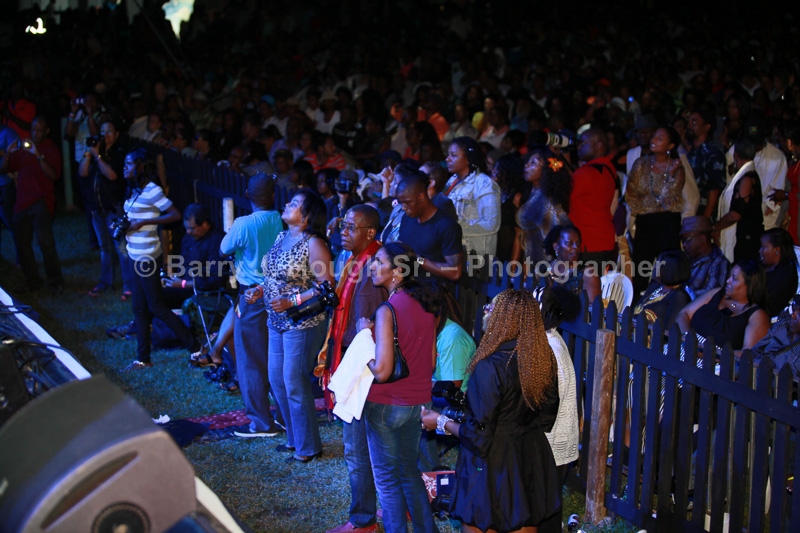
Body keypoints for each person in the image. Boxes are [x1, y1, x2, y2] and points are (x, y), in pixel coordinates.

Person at [421, 289, 561, 533]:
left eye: (492, 307)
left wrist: (441, 422)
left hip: (491, 467)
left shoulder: (490, 365)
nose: (485, 310)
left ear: (505, 318)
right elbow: (548, 416)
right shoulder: (541, 358)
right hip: (530, 458)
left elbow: (478, 436)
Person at [356, 242, 439, 533]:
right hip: (417, 403)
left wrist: (362, 343)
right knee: (410, 473)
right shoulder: (426, 305)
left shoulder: (387, 309)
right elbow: (431, 362)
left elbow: (381, 371)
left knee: (388, 482)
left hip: (386, 405)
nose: (372, 266)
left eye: (379, 262)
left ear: (398, 271)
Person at [248, 189, 334, 462]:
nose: (287, 204)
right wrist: (260, 290)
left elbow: (327, 285)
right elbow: (274, 276)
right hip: (276, 321)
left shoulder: (313, 243)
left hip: (302, 322)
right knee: (277, 380)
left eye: (294, 203)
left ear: (306, 217)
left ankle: (308, 448)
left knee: (294, 382)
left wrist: (292, 300)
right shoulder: (281, 237)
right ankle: (294, 439)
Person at [317, 205, 387, 533]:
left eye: (350, 227)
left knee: (357, 450)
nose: (342, 232)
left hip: (364, 367)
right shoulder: (357, 261)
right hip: (361, 361)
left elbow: (366, 331)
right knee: (378, 447)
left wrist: (344, 362)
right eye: (342, 226)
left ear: (370, 233)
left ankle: (363, 521)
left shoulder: (372, 269)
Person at [119, 148, 195, 371]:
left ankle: (195, 346)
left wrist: (144, 223)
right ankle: (143, 359)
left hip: (147, 256)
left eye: (129, 164)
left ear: (140, 166)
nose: (124, 168)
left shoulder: (152, 190)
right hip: (134, 253)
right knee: (139, 307)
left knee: (157, 306)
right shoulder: (133, 188)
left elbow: (175, 214)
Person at [221, 174, 285, 423]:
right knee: (277, 357)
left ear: (247, 195)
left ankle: (260, 421)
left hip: (252, 296)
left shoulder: (243, 223)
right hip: (280, 294)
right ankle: (283, 417)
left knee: (251, 359)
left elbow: (223, 249)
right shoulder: (283, 219)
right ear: (273, 195)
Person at [0, 116, 64, 293]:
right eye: (33, 129)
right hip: (22, 202)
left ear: (47, 131)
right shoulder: (23, 150)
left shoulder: (50, 149)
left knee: (45, 243)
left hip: (41, 201)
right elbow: (3, 169)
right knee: (22, 243)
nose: (35, 133)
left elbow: (53, 175)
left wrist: (38, 155)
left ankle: (55, 281)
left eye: (39, 130)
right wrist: (8, 154)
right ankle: (32, 281)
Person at [538, 286, 581, 533]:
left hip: (551, 443)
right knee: (548, 502)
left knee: (543, 506)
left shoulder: (547, 347)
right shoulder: (552, 339)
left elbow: (547, 402)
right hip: (556, 441)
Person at [626, 126, 685, 295]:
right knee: (641, 266)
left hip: (667, 223)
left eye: (660, 138)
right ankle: (638, 301)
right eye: (654, 137)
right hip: (645, 222)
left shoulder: (676, 167)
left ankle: (668, 300)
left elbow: (668, 197)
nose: (653, 140)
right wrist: (648, 208)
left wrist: (670, 173)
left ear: (670, 146)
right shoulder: (641, 163)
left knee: (667, 267)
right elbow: (631, 193)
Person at [79, 120, 129, 297]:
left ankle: (128, 286)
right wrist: (89, 154)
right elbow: (83, 173)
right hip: (97, 209)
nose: (105, 135)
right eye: (103, 131)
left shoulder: (119, 153)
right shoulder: (95, 152)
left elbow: (113, 175)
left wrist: (98, 156)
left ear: (116, 135)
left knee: (121, 247)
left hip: (113, 208)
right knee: (104, 248)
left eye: (109, 131)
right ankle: (105, 283)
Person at [676, 260, 770, 352]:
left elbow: (748, 353)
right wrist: (688, 338)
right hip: (684, 347)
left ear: (749, 285)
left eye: (734, 278)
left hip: (712, 360)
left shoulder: (757, 316)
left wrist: (709, 353)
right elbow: (684, 314)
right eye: (729, 276)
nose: (728, 281)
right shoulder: (717, 293)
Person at [396, 168, 464, 282]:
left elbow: (455, 272)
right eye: (401, 203)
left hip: (432, 289)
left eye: (407, 202)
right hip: (407, 285)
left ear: (421, 197)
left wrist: (419, 259)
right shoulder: (407, 218)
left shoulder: (446, 226)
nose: (403, 207)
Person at [568, 127, 619, 267]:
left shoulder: (585, 173)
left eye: (583, 143)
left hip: (588, 243)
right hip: (604, 239)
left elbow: (562, 199)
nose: (578, 147)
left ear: (598, 145)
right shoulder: (608, 168)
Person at [444, 136, 501, 257]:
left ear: (468, 158)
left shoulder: (485, 184)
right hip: (455, 250)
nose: (447, 159)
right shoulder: (453, 180)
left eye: (453, 155)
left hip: (476, 255)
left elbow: (491, 224)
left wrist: (454, 226)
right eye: (448, 155)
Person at [515, 151, 572, 270]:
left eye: (533, 163)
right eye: (527, 162)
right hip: (532, 262)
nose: (526, 165)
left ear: (546, 170)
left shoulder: (545, 202)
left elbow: (551, 239)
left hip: (544, 265)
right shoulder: (531, 194)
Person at [715, 137, 764, 263]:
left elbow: (735, 215)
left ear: (735, 155)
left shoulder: (747, 179)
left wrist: (715, 227)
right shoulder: (748, 175)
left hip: (744, 240)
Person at [538, 225, 602, 303]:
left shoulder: (588, 273)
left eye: (578, 243)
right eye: (569, 243)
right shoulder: (544, 269)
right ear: (556, 246)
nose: (575, 247)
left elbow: (593, 308)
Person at [632, 250, 692, 331]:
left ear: (669, 270)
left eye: (658, 265)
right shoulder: (655, 286)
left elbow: (668, 331)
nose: (654, 267)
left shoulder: (679, 297)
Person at [686, 104, 726, 219]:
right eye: (689, 122)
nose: (689, 125)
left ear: (706, 127)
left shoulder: (713, 153)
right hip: (689, 212)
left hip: (703, 213)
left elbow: (714, 190)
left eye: (694, 122)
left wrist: (705, 219)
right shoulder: (691, 153)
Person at [679, 216, 729, 300]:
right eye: (683, 241)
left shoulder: (718, 262)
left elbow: (712, 295)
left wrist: (679, 294)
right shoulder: (685, 256)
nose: (684, 245)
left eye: (687, 239)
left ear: (703, 238)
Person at [750, 295, 800, 379]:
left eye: (799, 313)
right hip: (751, 377)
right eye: (794, 308)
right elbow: (755, 350)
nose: (793, 315)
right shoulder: (783, 325)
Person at [492, 153, 527, 262]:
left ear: (506, 172)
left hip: (511, 254)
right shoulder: (497, 194)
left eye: (497, 168)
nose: (493, 171)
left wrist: (513, 265)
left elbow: (519, 234)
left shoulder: (516, 197)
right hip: (497, 253)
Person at [758, 228, 798, 317]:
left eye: (764, 247)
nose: (760, 251)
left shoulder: (786, 276)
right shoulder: (760, 265)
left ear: (776, 250)